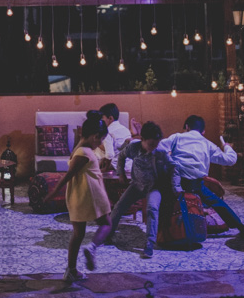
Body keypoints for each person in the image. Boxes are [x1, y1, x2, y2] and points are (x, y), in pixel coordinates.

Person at [43, 110, 114, 282]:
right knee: (106, 224)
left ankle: (71, 270)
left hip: (78, 195)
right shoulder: (85, 153)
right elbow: (68, 175)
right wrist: (53, 192)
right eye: (101, 139)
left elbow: (80, 153)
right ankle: (92, 247)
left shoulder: (80, 148)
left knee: (78, 233)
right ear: (95, 136)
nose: (101, 144)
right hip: (91, 194)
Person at [157, 115, 244, 239]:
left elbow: (157, 149)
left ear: (187, 127)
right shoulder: (207, 144)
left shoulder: (177, 138)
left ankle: (163, 230)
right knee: (217, 202)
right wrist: (227, 147)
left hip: (176, 182)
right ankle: (240, 226)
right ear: (203, 131)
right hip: (196, 185)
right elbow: (230, 160)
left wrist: (169, 157)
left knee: (163, 197)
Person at [107, 121, 181, 259]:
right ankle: (108, 235)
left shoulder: (161, 153)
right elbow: (121, 157)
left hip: (154, 187)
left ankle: (149, 244)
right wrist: (121, 173)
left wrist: (176, 186)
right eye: (151, 144)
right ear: (142, 140)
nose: (153, 147)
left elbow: (174, 167)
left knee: (152, 209)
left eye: (156, 144)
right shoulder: (133, 148)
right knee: (118, 208)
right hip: (136, 185)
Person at [94, 103, 132, 173]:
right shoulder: (126, 130)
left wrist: (104, 169)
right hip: (127, 165)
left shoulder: (107, 132)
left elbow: (110, 154)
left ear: (110, 118)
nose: (101, 121)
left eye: (102, 118)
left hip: (113, 166)